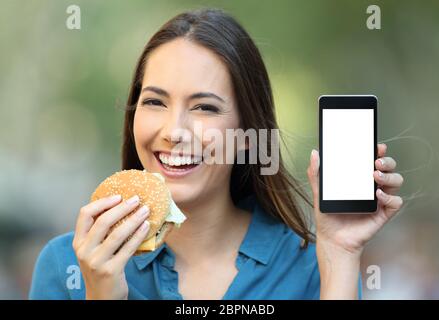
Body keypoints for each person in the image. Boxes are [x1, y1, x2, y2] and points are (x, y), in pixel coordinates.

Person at [29, 8, 404, 300]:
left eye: (205, 108)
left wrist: (339, 256)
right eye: (155, 101)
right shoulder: (68, 265)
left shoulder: (312, 268)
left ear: (247, 135)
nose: (174, 131)